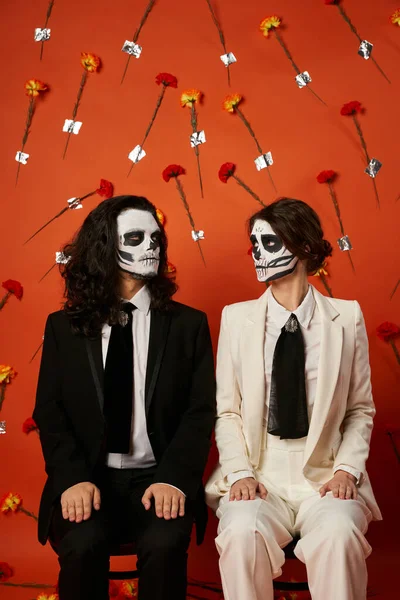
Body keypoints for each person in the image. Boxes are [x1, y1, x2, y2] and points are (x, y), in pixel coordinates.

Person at [33, 195, 216, 600]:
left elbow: (200, 411)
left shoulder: (189, 325)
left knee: (165, 546)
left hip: (159, 477)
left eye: (156, 237)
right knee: (82, 546)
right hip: (88, 477)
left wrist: (174, 478)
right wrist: (72, 479)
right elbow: (50, 409)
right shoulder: (63, 327)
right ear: (104, 245)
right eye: (135, 237)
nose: (151, 245)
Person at [205, 197, 381, 600]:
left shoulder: (347, 317)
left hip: (325, 478)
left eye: (270, 243)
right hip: (259, 476)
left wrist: (346, 471)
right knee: (239, 533)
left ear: (303, 248)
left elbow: (359, 408)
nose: (258, 254)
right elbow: (227, 410)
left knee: (339, 534)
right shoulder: (236, 318)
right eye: (255, 244)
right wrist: (240, 473)